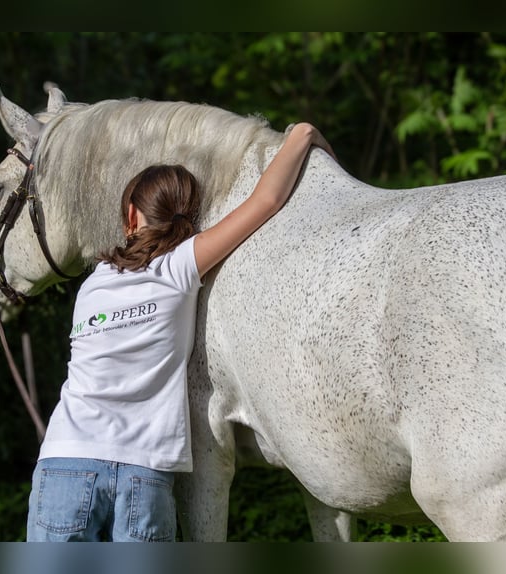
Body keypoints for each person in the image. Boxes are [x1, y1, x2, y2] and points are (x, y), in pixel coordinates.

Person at [26, 122, 335, 542]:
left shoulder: (94, 281)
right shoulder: (179, 268)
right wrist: (301, 134)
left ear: (131, 215)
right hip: (143, 471)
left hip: (66, 460)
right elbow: (267, 200)